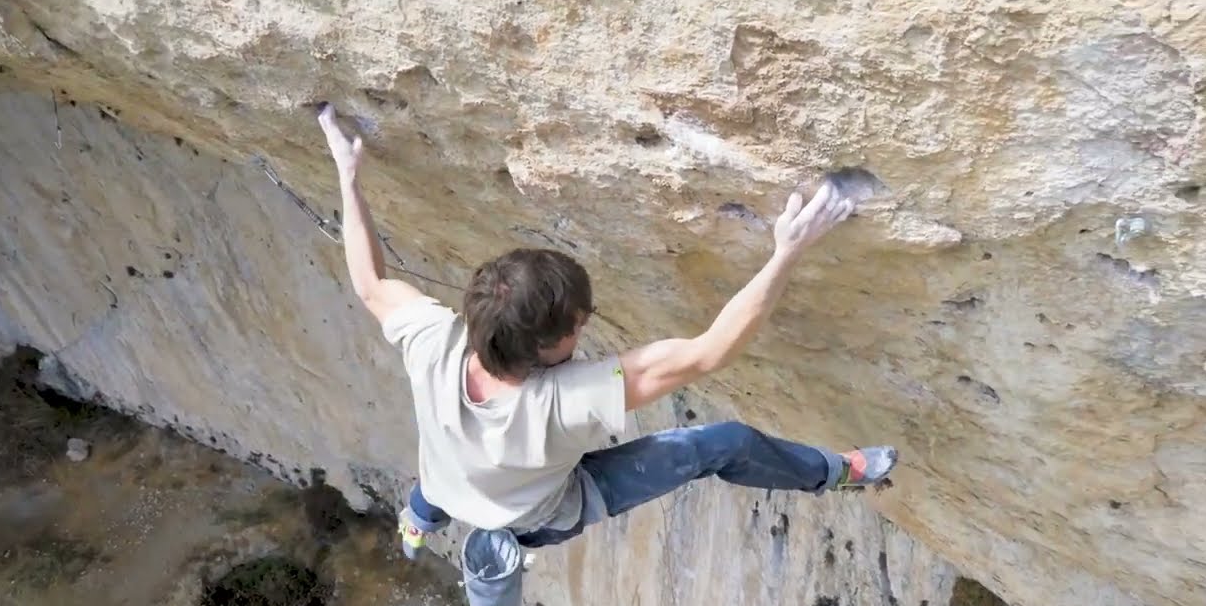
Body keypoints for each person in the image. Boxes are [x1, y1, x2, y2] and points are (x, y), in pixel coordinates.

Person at [315, 102, 898, 563]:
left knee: (439, 485)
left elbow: (369, 284)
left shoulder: (433, 341)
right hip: (539, 515)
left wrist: (347, 175)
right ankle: (835, 473)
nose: (583, 327)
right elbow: (711, 351)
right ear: (545, 349)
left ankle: (417, 521)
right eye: (575, 327)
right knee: (724, 444)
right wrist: (786, 253)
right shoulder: (566, 402)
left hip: (450, 477)